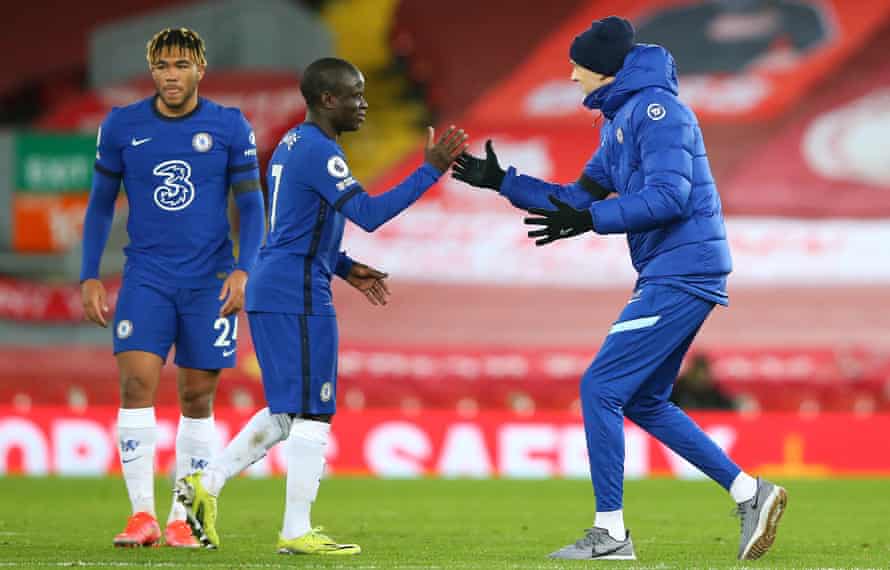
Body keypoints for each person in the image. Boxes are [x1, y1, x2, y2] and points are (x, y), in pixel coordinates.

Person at [453, 16, 786, 561]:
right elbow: (574, 198)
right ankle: (751, 493)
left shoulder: (658, 112)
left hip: (682, 270)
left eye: (577, 66)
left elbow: (670, 197)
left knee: (601, 387)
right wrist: (501, 181)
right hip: (673, 269)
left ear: (603, 68)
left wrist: (591, 221)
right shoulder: (620, 122)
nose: (571, 76)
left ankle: (610, 534)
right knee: (644, 401)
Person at [175, 57, 467, 554]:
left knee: (289, 411)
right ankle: (296, 530)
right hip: (297, 293)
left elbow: (296, 227)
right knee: (315, 412)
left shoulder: (294, 143)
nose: (364, 104)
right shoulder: (319, 151)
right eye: (356, 95)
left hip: (278, 284)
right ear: (328, 99)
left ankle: (208, 483)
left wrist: (344, 265)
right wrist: (431, 170)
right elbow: (369, 214)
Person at [80, 28, 265, 548]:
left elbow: (252, 205)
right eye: (162, 65)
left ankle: (184, 516)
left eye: (182, 65)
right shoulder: (122, 126)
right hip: (146, 276)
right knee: (136, 384)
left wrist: (244, 269)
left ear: (200, 68)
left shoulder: (230, 126)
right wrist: (89, 273)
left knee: (197, 394)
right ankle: (142, 516)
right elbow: (99, 204)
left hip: (210, 280)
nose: (171, 75)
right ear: (152, 70)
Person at [671, 354, 736, 410]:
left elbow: (727, 408)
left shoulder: (714, 391)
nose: (701, 376)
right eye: (698, 371)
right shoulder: (679, 389)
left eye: (703, 371)